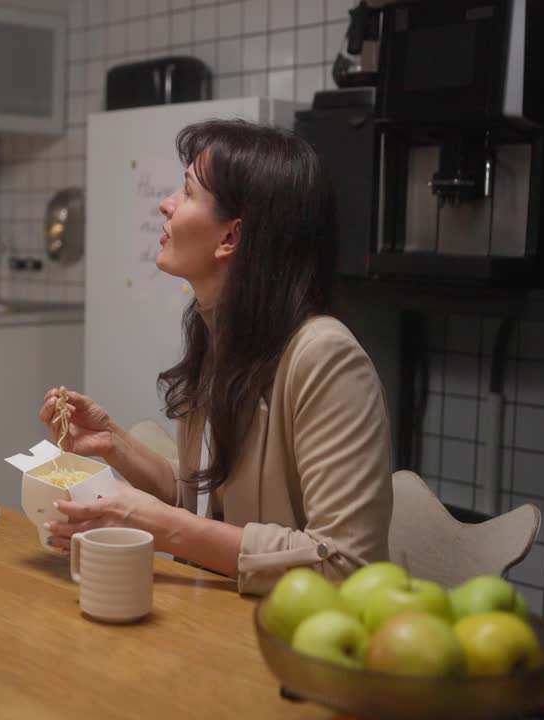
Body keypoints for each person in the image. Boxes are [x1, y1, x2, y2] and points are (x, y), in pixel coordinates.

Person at [40, 120, 393, 594]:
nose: (166, 204)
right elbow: (200, 503)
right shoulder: (220, 336)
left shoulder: (325, 358)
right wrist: (112, 443)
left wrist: (159, 524)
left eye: (186, 192)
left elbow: (347, 564)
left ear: (230, 238)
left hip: (289, 637)